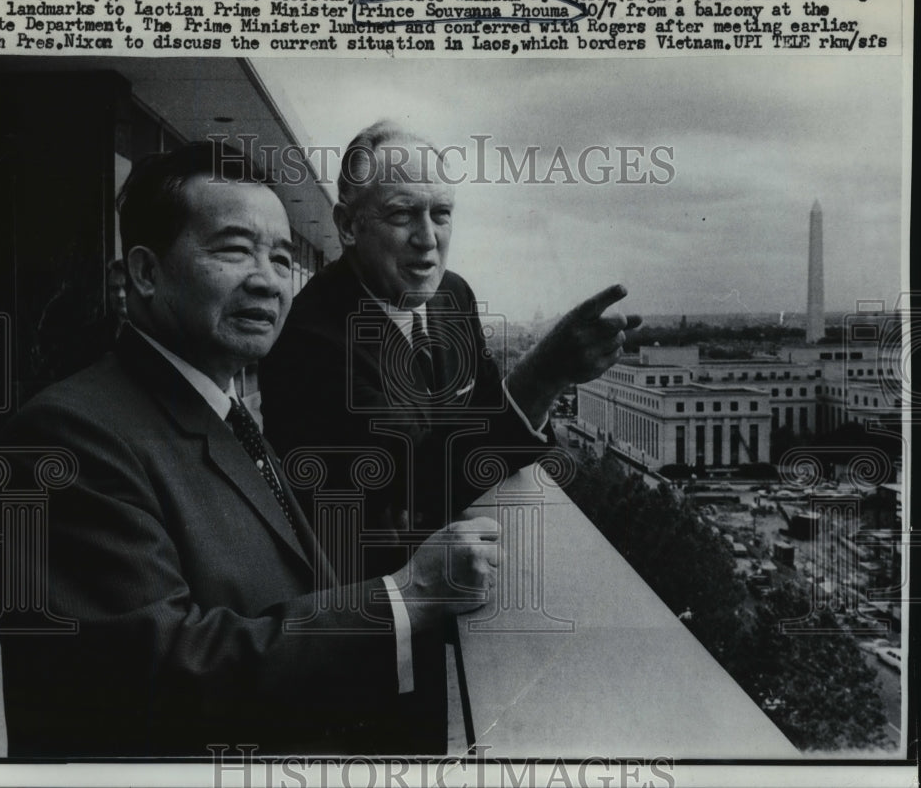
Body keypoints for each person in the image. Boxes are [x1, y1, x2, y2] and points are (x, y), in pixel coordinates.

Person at [0, 142, 499, 757]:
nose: (267, 280)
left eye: (282, 259)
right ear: (145, 273)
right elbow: (154, 679)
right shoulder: (64, 438)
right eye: (233, 250)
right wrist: (408, 596)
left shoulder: (223, 412)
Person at [262, 120, 642, 584]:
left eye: (441, 213)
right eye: (402, 215)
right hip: (374, 611)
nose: (428, 239)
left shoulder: (452, 296)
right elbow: (416, 487)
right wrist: (542, 376)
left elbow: (480, 432)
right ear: (347, 226)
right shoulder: (308, 341)